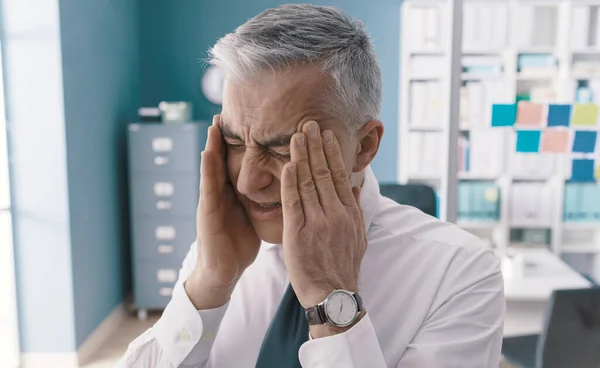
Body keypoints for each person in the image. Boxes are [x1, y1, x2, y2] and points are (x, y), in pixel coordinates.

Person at [117, 4, 504, 367]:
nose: (249, 180)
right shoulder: (219, 249)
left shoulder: (461, 273)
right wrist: (207, 285)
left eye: (282, 148)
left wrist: (332, 303)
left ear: (364, 146)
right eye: (234, 142)